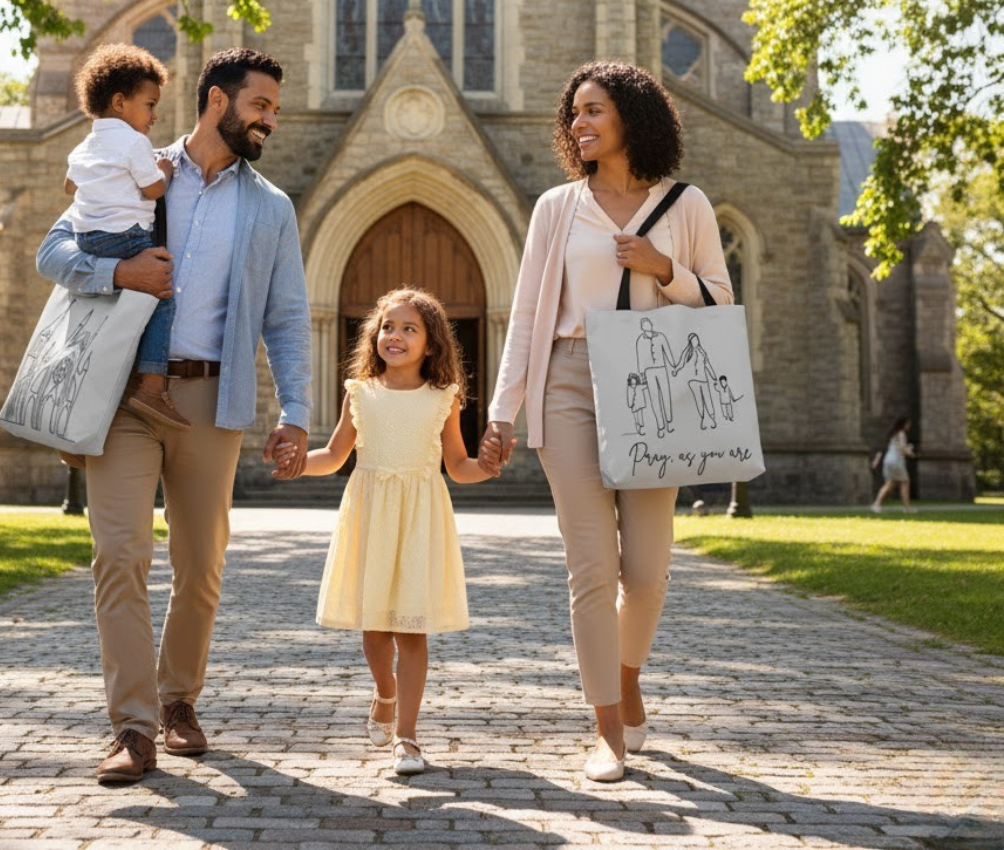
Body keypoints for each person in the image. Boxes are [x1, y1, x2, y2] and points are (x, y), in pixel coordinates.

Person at [36, 47, 312, 785]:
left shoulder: (271, 207)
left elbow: (287, 319)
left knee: (201, 566)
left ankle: (178, 700)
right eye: (262, 106)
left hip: (213, 401)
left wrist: (296, 409)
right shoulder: (128, 160)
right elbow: (52, 250)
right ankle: (131, 725)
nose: (271, 121)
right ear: (218, 101)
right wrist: (115, 271)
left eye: (275, 111)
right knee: (120, 556)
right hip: (123, 392)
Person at [480, 60, 733, 783]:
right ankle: (607, 735)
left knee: (647, 572)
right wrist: (504, 411)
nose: (579, 125)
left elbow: (719, 301)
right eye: (574, 115)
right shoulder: (558, 208)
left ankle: (624, 680)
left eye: (593, 111)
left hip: (655, 383)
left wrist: (664, 269)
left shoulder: (687, 206)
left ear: (632, 117)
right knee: (591, 568)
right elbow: (528, 314)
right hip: (568, 383)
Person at [273, 287, 501, 776]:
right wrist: (296, 465)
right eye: (387, 327)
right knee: (374, 627)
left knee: (411, 629)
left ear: (432, 344)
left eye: (408, 329)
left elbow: (458, 466)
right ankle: (385, 691)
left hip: (420, 517)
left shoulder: (444, 397)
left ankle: (408, 737)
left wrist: (487, 465)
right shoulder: (360, 391)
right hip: (371, 513)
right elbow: (334, 456)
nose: (394, 336)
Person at [64, 43, 186, 429]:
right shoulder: (135, 143)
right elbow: (153, 191)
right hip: (127, 238)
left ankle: (84, 402)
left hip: (89, 240)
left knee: (105, 314)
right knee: (162, 296)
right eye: (149, 105)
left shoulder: (84, 146)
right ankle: (152, 387)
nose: (154, 115)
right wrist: (163, 168)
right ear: (120, 102)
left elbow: (70, 186)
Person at [871, 417, 916, 513]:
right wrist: (910, 452)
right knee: (905, 483)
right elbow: (903, 449)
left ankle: (877, 504)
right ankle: (907, 508)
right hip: (896, 461)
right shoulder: (901, 434)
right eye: (908, 424)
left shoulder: (893, 434)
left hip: (888, 460)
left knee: (890, 483)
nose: (909, 426)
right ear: (904, 424)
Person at [674, 332, 718, 430]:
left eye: (697, 339)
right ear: (690, 342)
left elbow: (707, 365)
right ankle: (703, 420)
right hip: (693, 380)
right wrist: (676, 370)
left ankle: (712, 418)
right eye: (693, 340)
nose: (696, 341)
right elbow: (681, 363)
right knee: (699, 400)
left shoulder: (702, 352)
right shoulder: (687, 352)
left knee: (708, 399)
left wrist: (714, 377)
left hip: (703, 379)